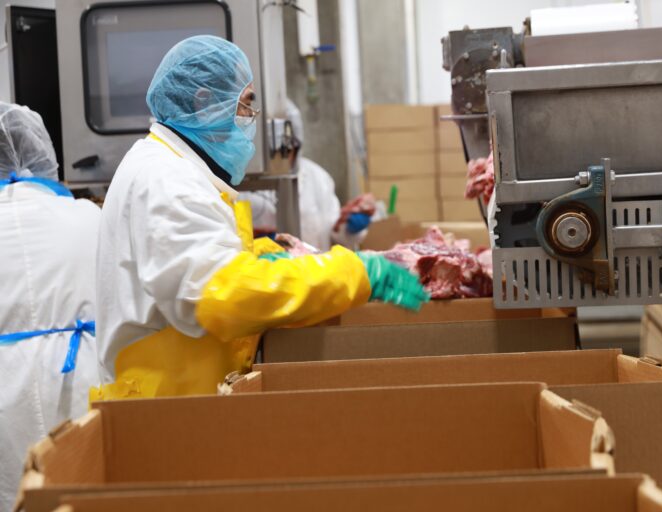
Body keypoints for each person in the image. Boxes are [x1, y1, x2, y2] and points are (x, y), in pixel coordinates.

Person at [93, 35, 428, 400]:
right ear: (204, 102)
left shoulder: (169, 168)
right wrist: (354, 273)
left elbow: (201, 267)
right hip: (165, 408)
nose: (250, 120)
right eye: (246, 105)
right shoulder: (167, 179)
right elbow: (223, 295)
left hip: (181, 397)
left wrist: (265, 255)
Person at [0, 102, 101, 512]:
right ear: (45, 154)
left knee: (15, 494)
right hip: (81, 382)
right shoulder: (88, 219)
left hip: (5, 396)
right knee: (81, 490)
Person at [242, 100, 370, 251]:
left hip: (315, 271)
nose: (278, 159)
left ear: (296, 144)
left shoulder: (318, 178)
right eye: (270, 152)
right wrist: (257, 241)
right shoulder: (242, 185)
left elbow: (335, 234)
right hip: (266, 272)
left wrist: (349, 227)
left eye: (285, 150)